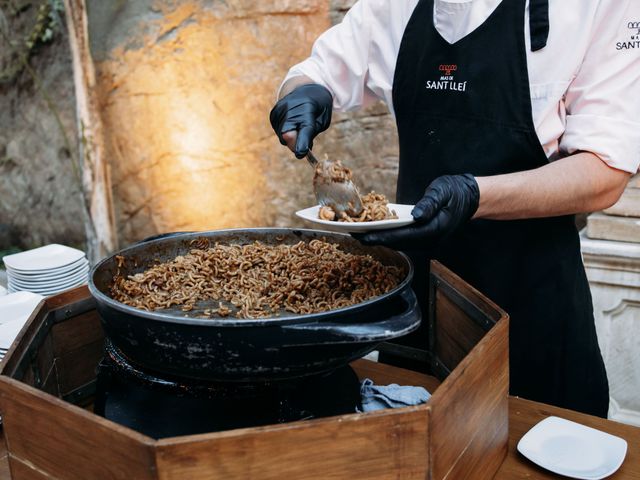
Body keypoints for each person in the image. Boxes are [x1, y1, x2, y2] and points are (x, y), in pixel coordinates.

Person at [269, 0, 640, 418]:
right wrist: (300, 95)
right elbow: (316, 71)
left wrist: (474, 195)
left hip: (534, 313)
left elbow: (604, 172)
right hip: (419, 310)